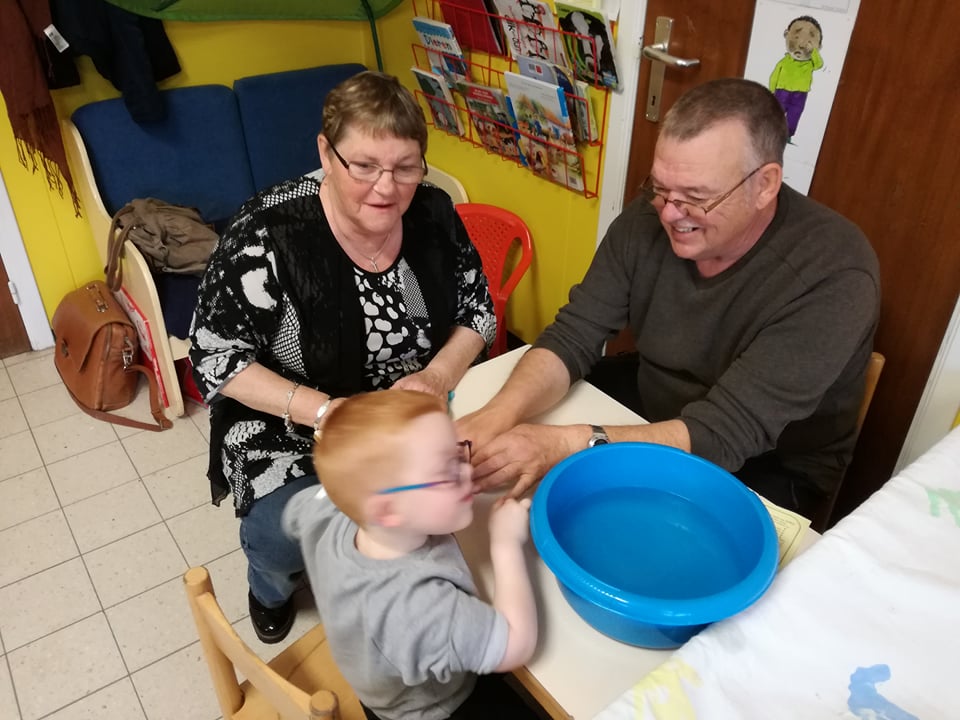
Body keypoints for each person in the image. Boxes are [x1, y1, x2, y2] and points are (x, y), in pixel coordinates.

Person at [457, 78, 880, 521]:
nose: (670, 213)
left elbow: (725, 433)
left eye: (695, 197)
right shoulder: (649, 216)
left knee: (602, 526)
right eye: (660, 188)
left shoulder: (835, 272)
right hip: (655, 405)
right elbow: (575, 333)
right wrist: (496, 415)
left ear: (765, 185)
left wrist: (567, 444)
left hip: (770, 467)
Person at [188, 71, 496, 644]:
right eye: (365, 165)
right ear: (326, 153)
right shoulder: (267, 231)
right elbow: (217, 358)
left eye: (406, 166)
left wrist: (437, 376)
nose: (387, 188)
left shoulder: (433, 213)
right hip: (290, 421)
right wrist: (331, 414)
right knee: (285, 533)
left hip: (405, 414)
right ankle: (270, 586)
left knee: (455, 516)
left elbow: (478, 313)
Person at [282, 390, 539, 720]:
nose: (466, 469)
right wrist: (505, 544)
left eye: (459, 452)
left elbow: (297, 510)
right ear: (388, 510)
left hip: (377, 674)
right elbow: (516, 647)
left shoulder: (330, 509)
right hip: (433, 706)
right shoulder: (419, 609)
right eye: (446, 471)